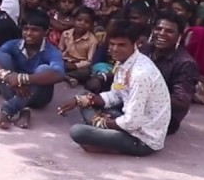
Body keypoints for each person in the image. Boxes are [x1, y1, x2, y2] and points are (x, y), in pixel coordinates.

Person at [58, 22, 171, 156]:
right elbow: (116, 95)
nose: (115, 49)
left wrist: (101, 122)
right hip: (128, 120)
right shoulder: (124, 62)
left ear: (135, 44)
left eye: (121, 45)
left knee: (77, 131)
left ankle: (101, 135)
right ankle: (98, 131)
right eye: (112, 44)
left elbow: (132, 122)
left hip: (142, 138)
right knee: (83, 95)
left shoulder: (140, 74)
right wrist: (79, 101)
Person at [0, 11, 67, 129]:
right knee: (1, 58)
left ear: (46, 32)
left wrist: (23, 79)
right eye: (26, 29)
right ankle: (24, 111)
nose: (28, 33)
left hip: (39, 98)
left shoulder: (52, 51)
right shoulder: (13, 44)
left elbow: (59, 74)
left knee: (44, 69)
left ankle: (8, 110)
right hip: (12, 90)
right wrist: (8, 77)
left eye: (34, 30)